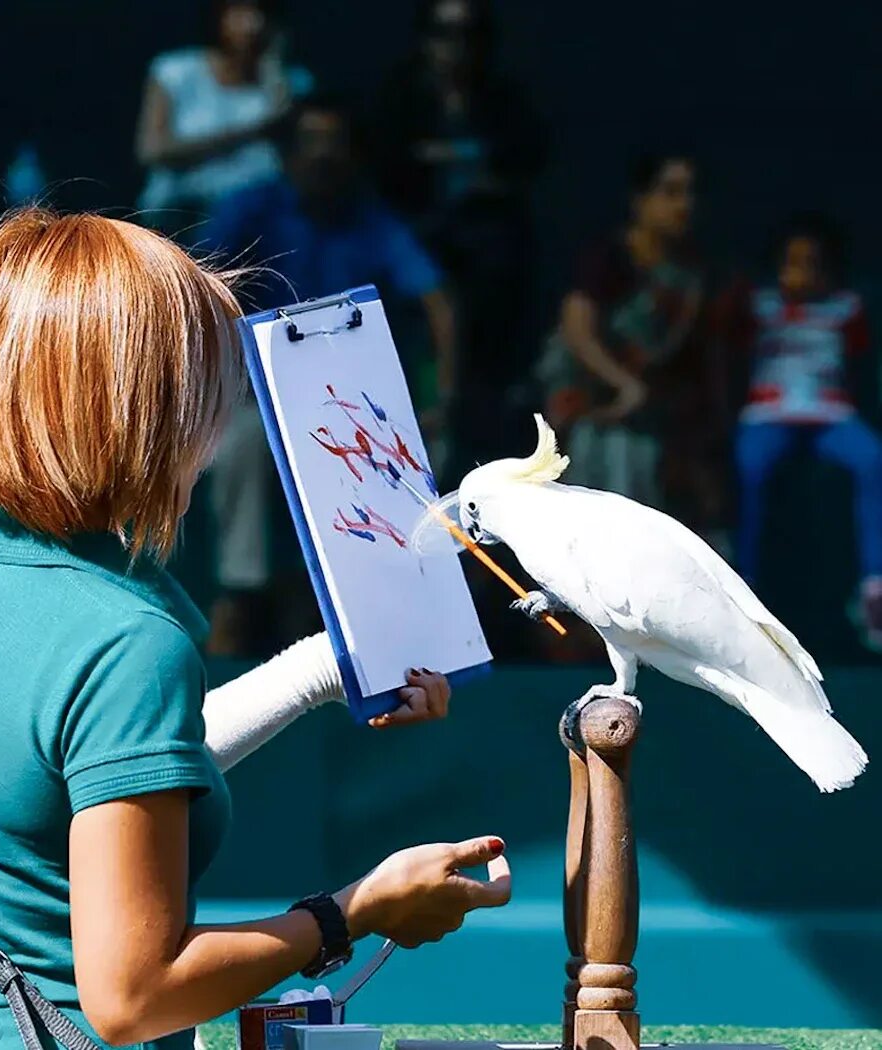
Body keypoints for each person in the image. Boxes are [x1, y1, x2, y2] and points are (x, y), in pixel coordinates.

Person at [0, 208, 511, 1050]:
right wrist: (355, 911)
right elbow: (134, 998)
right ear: (128, 412)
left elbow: (93, 779)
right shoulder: (122, 640)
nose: (213, 439)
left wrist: (329, 666)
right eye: (202, 395)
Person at [200, 93, 457, 655]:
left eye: (334, 144)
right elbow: (200, 286)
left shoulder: (372, 219)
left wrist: (443, 395)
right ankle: (241, 593)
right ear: (287, 153)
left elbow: (435, 301)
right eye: (309, 143)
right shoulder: (252, 207)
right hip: (253, 390)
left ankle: (362, 605)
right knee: (239, 444)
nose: (322, 156)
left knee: (401, 456)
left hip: (346, 398)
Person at [373, 0, 550, 472]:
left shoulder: (504, 100)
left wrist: (454, 166)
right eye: (443, 34)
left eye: (467, 35)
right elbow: (389, 169)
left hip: (489, 265)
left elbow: (526, 162)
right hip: (418, 256)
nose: (455, 48)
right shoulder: (401, 98)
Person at [726, 212, 882, 649]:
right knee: (749, 468)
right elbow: (728, 349)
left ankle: (875, 585)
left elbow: (861, 360)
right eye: (793, 262)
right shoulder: (759, 304)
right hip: (768, 412)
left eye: (812, 263)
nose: (802, 272)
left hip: (830, 414)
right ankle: (745, 584)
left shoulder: (846, 307)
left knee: (873, 459)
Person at [536, 153, 703, 510]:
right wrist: (623, 385)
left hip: (646, 414)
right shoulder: (608, 257)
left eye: (689, 193)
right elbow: (577, 330)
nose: (683, 205)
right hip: (586, 403)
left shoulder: (688, 274)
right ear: (641, 200)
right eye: (671, 192)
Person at [134, 0, 312, 239]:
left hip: (260, 220)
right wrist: (254, 130)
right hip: (183, 212)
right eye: (240, 12)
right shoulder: (175, 72)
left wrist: (273, 64)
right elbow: (152, 150)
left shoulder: (293, 83)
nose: (252, 24)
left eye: (260, 13)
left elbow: (294, 151)